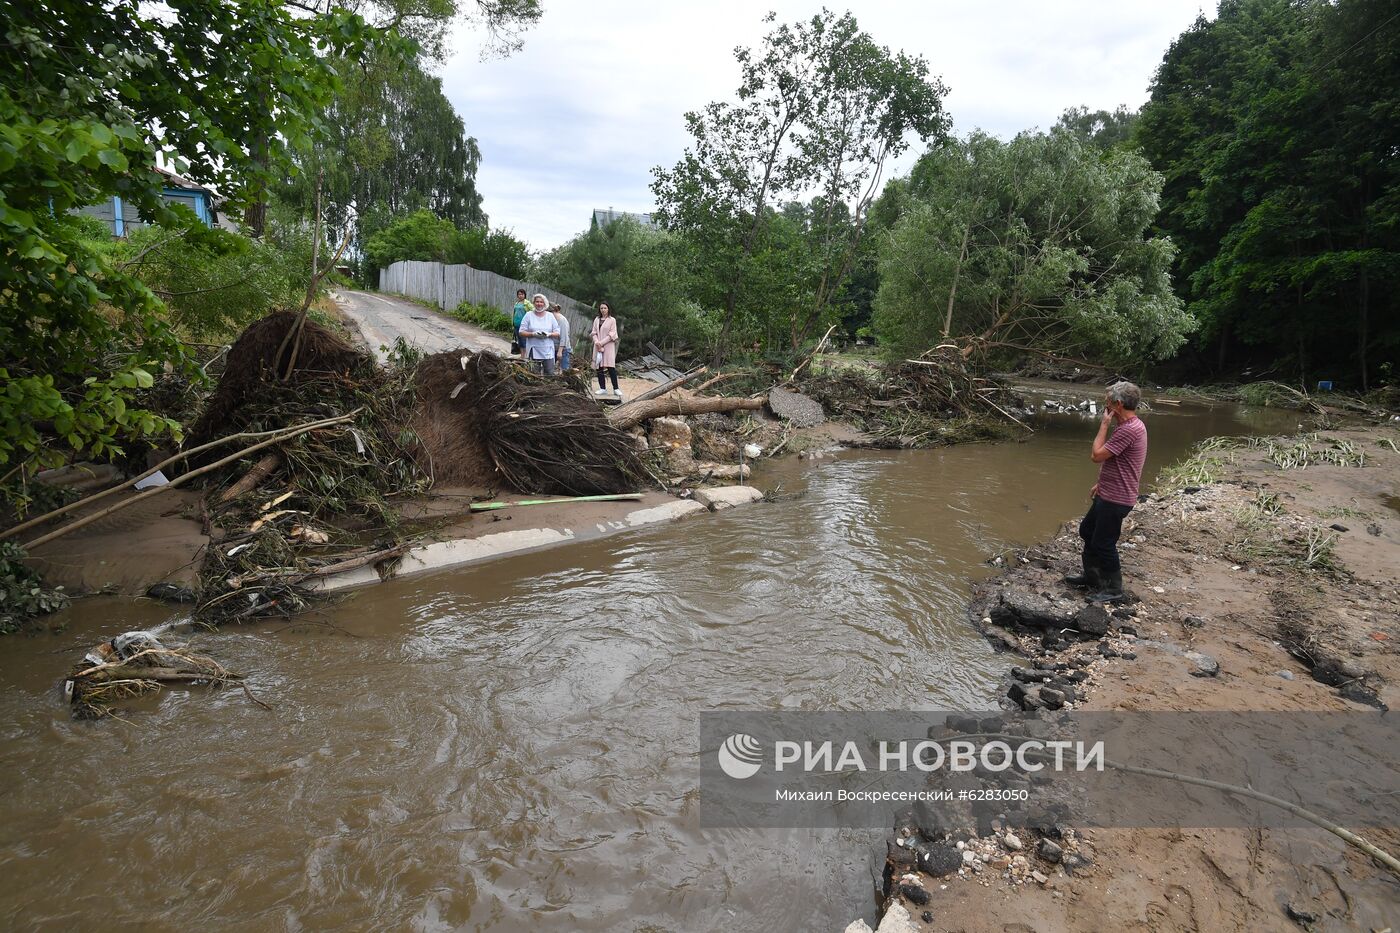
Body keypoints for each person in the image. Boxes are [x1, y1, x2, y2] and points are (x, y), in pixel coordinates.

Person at [1064, 381, 1148, 602]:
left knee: (1104, 542)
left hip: (1117, 498)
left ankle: (1114, 589)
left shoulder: (1129, 429)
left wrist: (1103, 425)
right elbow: (1119, 462)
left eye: (1108, 402)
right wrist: (1101, 483)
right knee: (1087, 531)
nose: (1105, 405)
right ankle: (1092, 577)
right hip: (1109, 492)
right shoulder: (1128, 426)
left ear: (1118, 404)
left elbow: (1097, 455)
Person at [518, 294, 559, 375]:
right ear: (533, 303)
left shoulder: (550, 316)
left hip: (548, 350)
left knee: (549, 373)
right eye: (537, 302)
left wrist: (549, 334)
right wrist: (533, 334)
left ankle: (549, 387)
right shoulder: (528, 315)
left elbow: (557, 333)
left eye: (541, 302)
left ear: (544, 303)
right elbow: (521, 332)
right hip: (533, 349)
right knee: (533, 374)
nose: (539, 304)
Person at [590, 301, 620, 396]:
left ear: (608, 309)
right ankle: (602, 388)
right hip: (598, 346)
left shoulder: (612, 320)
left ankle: (616, 388)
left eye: (605, 308)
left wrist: (601, 343)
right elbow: (594, 332)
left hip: (608, 346)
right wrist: (596, 342)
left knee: (611, 367)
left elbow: (612, 334)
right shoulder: (597, 319)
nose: (603, 310)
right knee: (599, 367)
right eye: (601, 308)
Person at [552, 304, 572, 373]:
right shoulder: (551, 320)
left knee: (565, 370)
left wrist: (560, 351)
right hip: (553, 348)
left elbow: (564, 337)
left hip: (564, 349)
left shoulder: (562, 320)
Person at [510, 289, 530, 358]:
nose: (520, 296)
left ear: (524, 295)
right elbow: (514, 313)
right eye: (519, 294)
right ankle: (522, 356)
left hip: (523, 326)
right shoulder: (517, 303)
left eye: (522, 294)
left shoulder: (527, 303)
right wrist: (513, 323)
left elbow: (533, 311)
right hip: (516, 325)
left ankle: (526, 357)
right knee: (520, 342)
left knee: (524, 341)